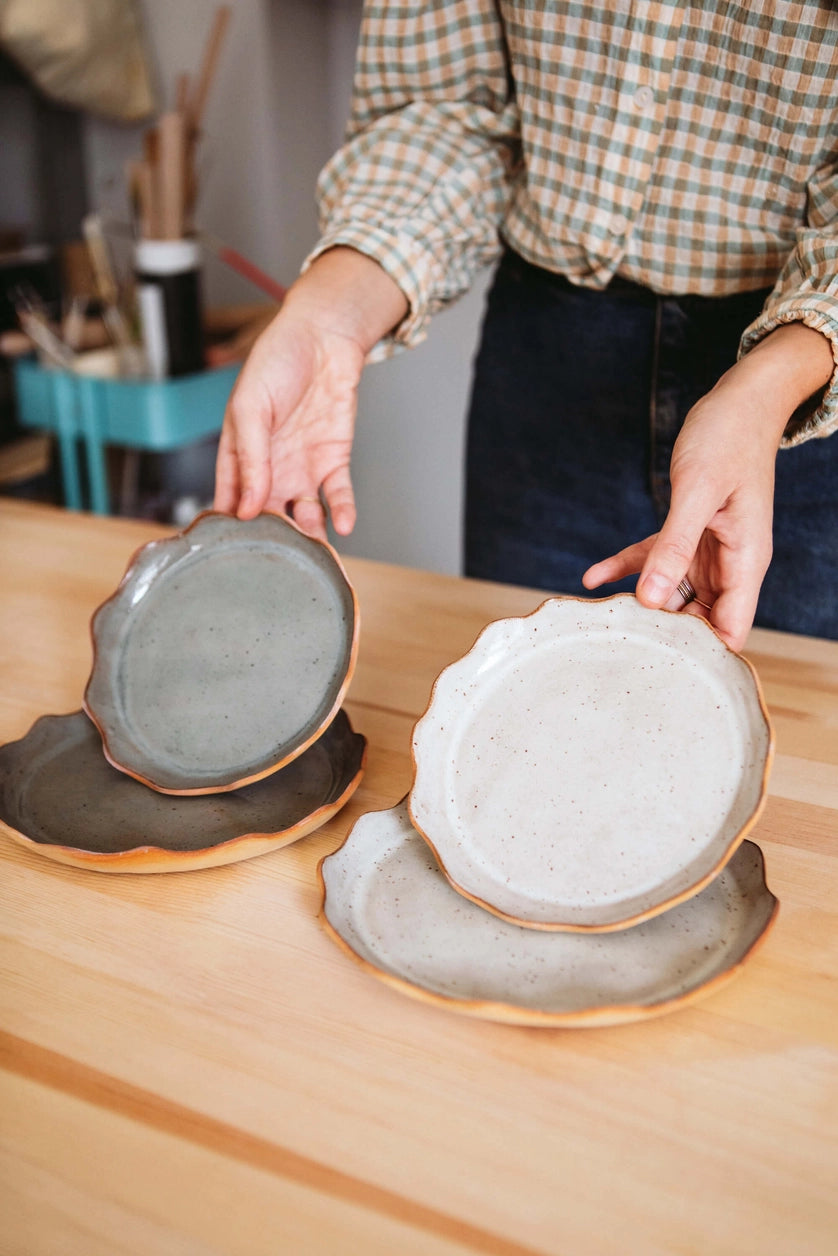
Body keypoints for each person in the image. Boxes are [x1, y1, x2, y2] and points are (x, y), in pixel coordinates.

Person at [215, 3, 838, 652]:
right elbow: (443, 113)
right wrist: (330, 317)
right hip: (548, 361)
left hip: (804, 390)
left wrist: (769, 390)